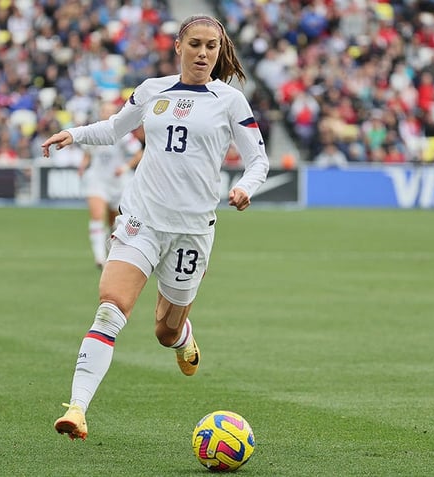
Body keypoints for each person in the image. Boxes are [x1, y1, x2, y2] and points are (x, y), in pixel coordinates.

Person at [41, 13, 270, 441]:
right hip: (141, 219)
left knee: (164, 331)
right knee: (111, 307)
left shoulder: (230, 100)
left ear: (220, 52)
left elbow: (258, 159)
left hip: (192, 230)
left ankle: (183, 337)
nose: (204, 53)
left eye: (212, 47)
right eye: (196, 44)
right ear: (178, 46)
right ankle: (77, 408)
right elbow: (113, 129)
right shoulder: (152, 90)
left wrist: (245, 187)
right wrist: (73, 134)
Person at [77, 101, 144, 269]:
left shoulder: (123, 135)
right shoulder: (93, 132)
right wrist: (83, 166)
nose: (107, 114)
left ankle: (112, 251)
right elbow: (87, 155)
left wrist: (125, 167)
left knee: (114, 221)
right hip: (97, 179)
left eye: (110, 111)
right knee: (97, 216)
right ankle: (99, 257)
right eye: (104, 111)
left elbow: (138, 154)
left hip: (118, 182)